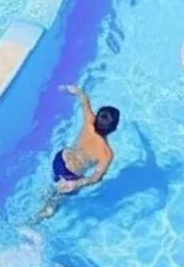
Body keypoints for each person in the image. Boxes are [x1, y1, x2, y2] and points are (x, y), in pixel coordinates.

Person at [33, 84, 120, 222]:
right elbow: (95, 178)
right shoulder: (106, 153)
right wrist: (78, 183)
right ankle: (32, 222)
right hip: (70, 175)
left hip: (60, 159)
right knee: (53, 205)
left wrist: (68, 88)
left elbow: (83, 97)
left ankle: (46, 193)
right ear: (114, 129)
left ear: (96, 117)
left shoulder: (89, 121)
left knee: (54, 185)